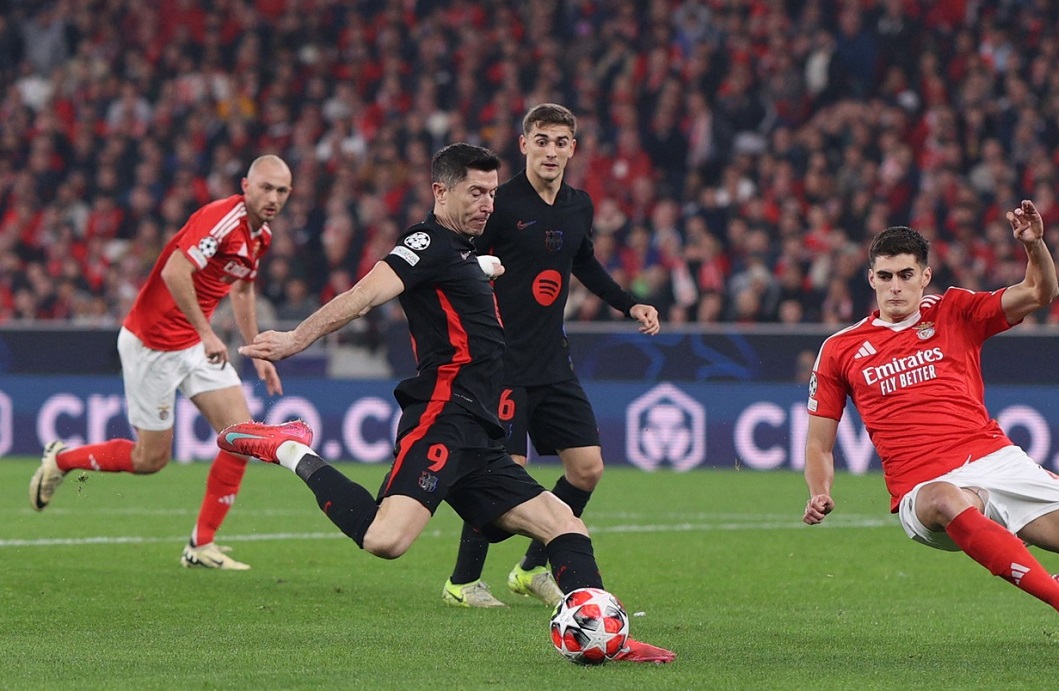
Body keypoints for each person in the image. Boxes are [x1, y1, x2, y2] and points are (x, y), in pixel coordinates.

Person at [216, 143, 673, 663]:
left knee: (565, 523)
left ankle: (607, 637)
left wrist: (484, 269)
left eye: (492, 194)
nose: (486, 204)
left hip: (480, 429)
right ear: (440, 191)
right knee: (385, 541)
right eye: (474, 193)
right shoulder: (424, 243)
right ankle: (288, 448)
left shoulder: (462, 249)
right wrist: (297, 339)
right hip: (442, 415)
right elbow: (364, 294)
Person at [803, 200, 1059, 647]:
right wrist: (820, 492)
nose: (896, 287)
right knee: (944, 497)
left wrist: (1035, 245)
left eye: (906, 275)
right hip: (924, 491)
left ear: (924, 276)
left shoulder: (955, 311)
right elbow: (818, 443)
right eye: (885, 277)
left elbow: (1041, 293)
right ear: (871, 279)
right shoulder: (840, 349)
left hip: (998, 461)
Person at [442, 103, 661, 608]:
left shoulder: (578, 206)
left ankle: (531, 569)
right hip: (502, 364)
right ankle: (462, 582)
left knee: (587, 469)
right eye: (541, 140)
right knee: (505, 477)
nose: (551, 151)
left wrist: (630, 304)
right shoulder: (499, 204)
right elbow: (455, 252)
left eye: (561, 142)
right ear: (523, 145)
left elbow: (584, 261)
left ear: (573, 149)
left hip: (552, 361)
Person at [29, 155, 293, 571]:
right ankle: (61, 459)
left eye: (282, 191)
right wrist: (208, 333)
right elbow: (175, 272)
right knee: (150, 460)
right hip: (152, 343)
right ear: (246, 186)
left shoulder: (261, 238)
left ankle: (200, 545)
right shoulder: (221, 219)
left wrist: (256, 349)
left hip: (194, 341)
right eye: (266, 187)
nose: (273, 197)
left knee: (242, 438)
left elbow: (242, 292)